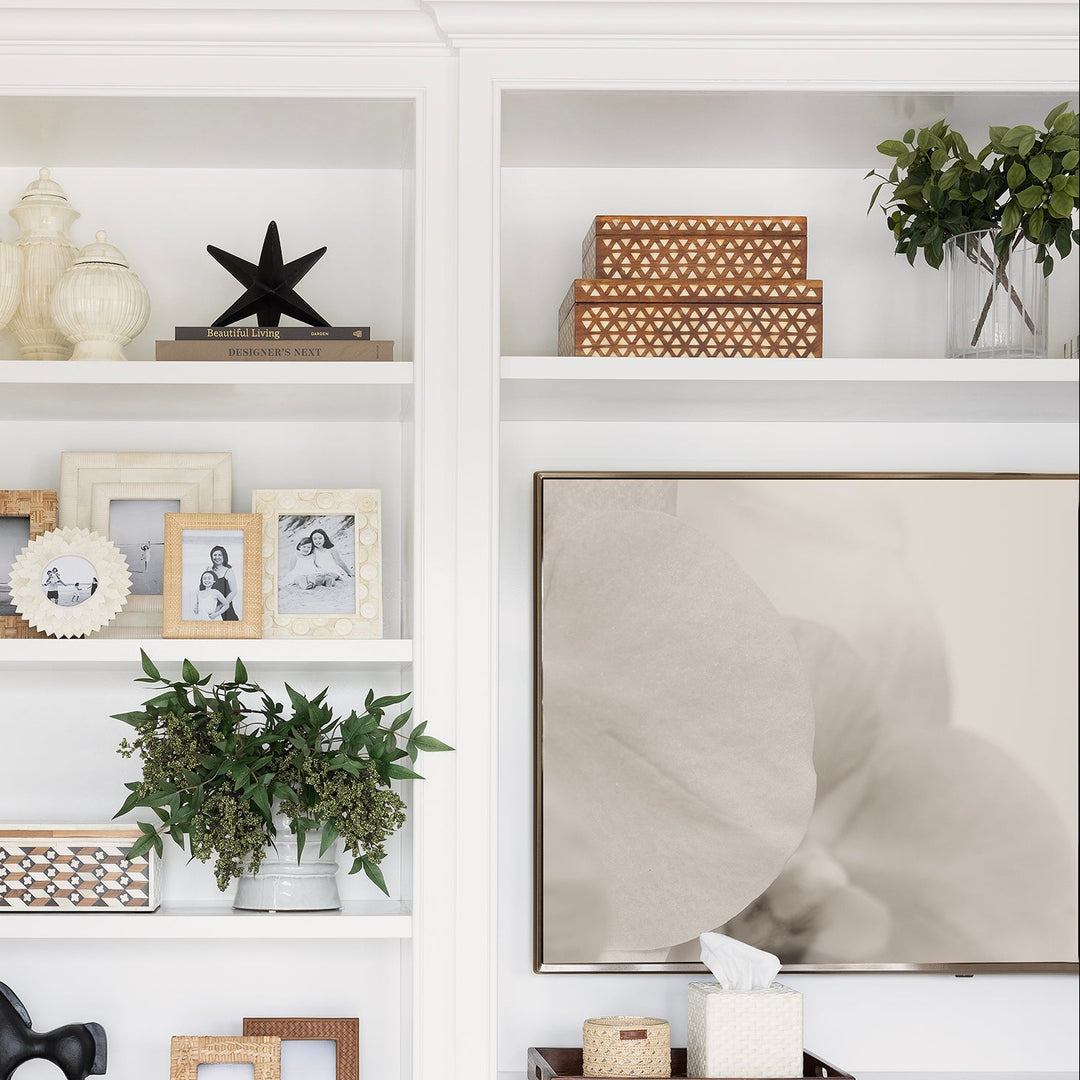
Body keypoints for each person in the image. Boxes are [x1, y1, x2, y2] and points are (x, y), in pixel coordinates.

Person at [204, 544, 239, 620]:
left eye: (220, 555)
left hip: (225, 608)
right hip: (211, 606)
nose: (217, 557)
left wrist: (221, 606)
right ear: (211, 557)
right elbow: (203, 587)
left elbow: (234, 591)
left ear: (224, 556)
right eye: (215, 555)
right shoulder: (208, 569)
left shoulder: (228, 571)